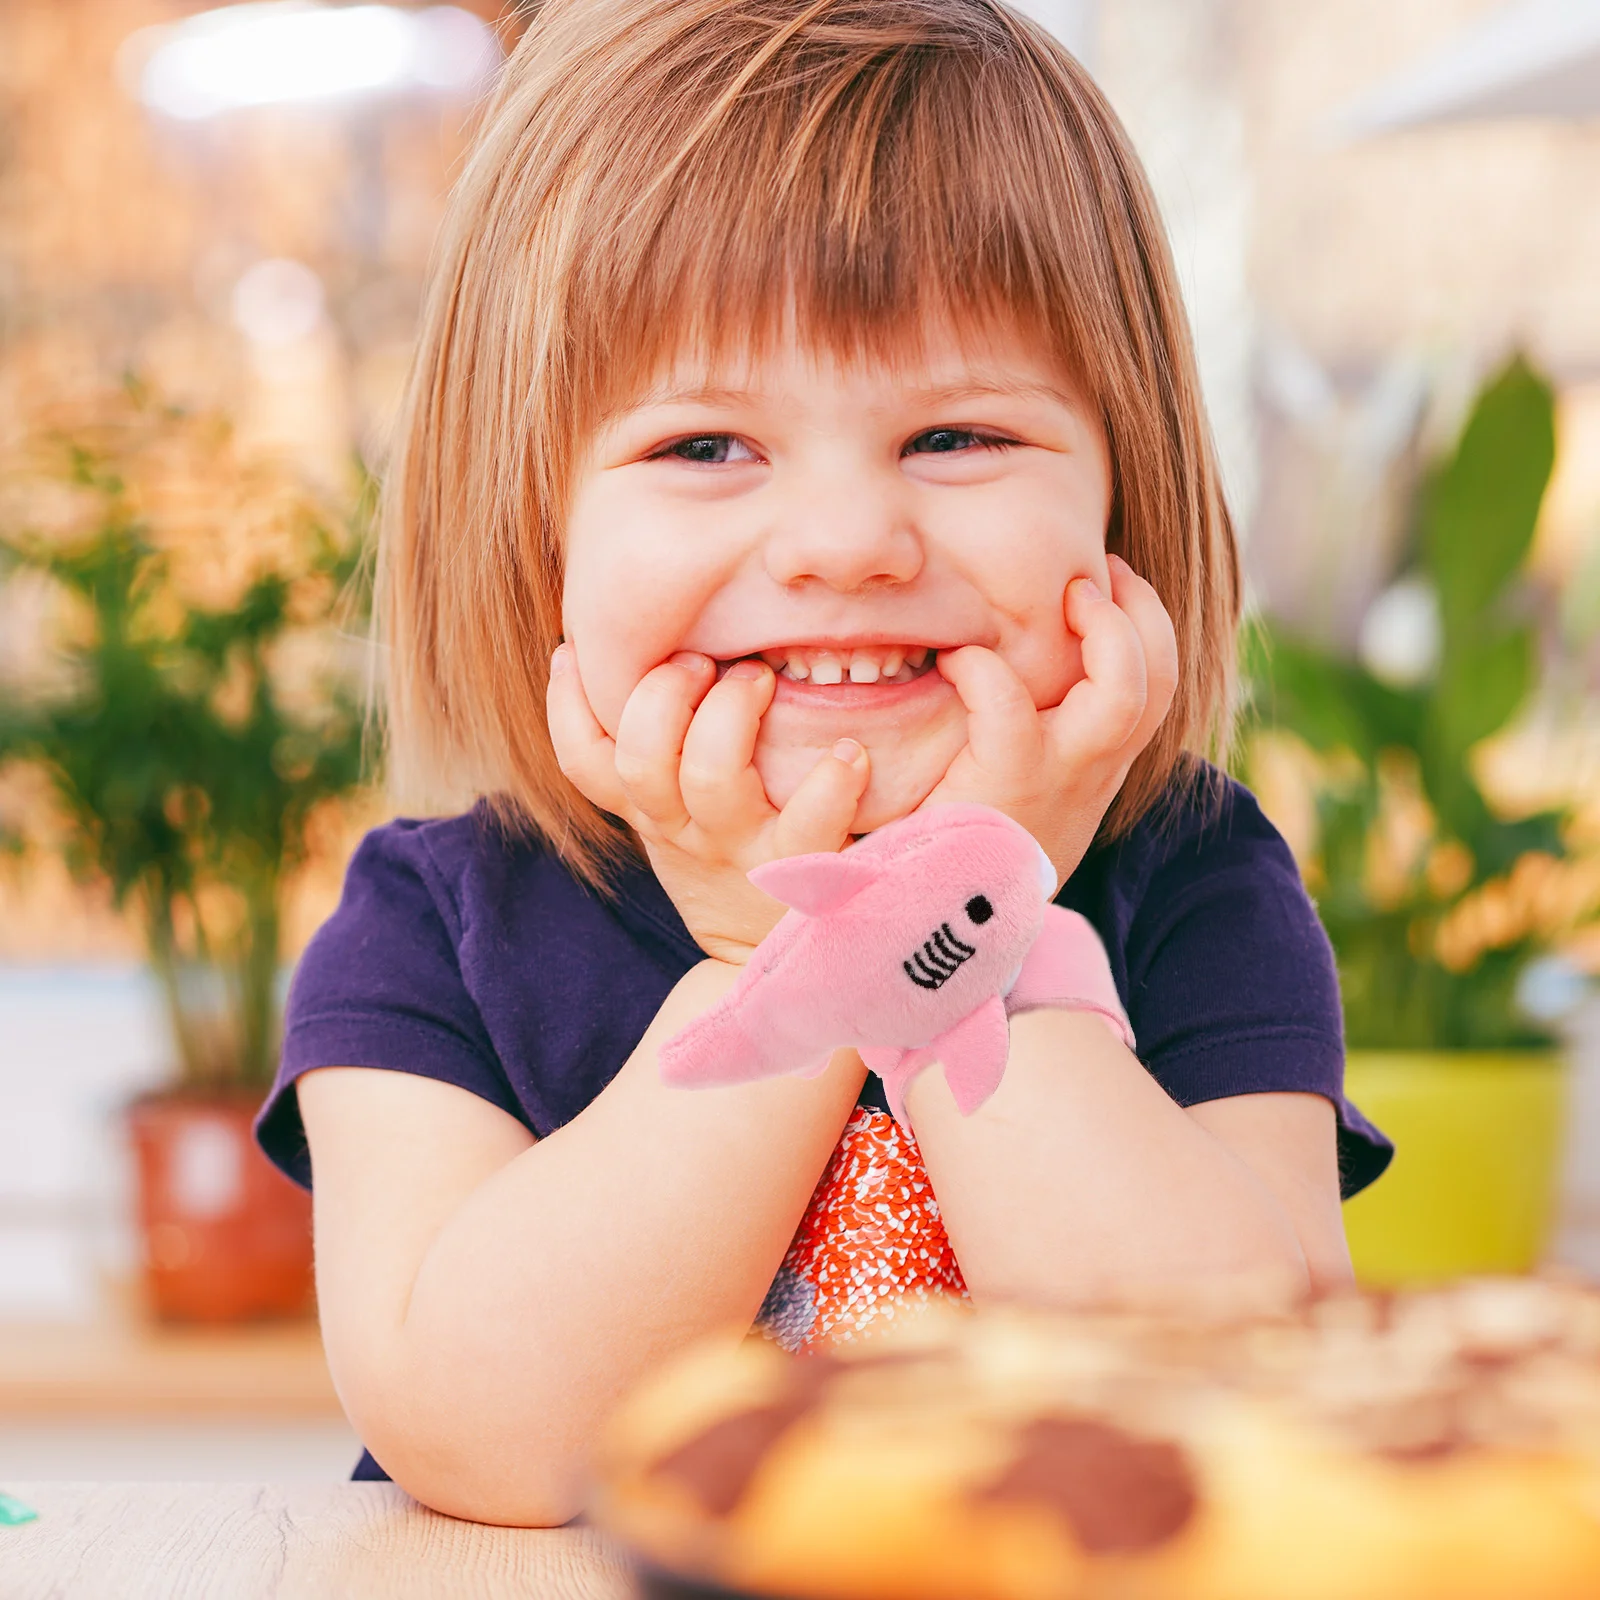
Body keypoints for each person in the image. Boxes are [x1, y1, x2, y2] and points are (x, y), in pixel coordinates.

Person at [255, 0, 1390, 1526]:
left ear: (1124, 505)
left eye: (958, 436)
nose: (850, 546)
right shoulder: (431, 926)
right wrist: (771, 968)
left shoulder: (1196, 880)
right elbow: (489, 1443)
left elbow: (1243, 1407)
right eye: (706, 449)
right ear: (538, 534)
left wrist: (967, 930)